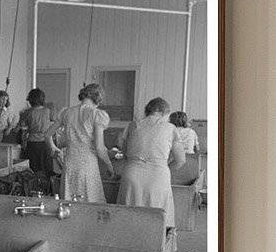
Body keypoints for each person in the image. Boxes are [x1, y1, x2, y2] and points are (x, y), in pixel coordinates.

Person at [118, 97, 187, 229]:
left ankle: (128, 245)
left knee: (129, 214)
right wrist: (163, 168)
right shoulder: (170, 128)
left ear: (147, 111)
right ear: (164, 112)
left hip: (132, 173)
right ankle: (156, 246)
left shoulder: (132, 125)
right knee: (157, 216)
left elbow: (124, 151)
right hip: (158, 176)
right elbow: (180, 160)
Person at [47, 83, 114, 202]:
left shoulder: (67, 112)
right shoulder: (96, 114)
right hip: (88, 165)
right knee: (90, 202)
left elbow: (47, 134)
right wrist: (109, 165)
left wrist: (53, 147)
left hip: (70, 164)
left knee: (69, 202)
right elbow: (99, 148)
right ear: (98, 98)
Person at [18, 87, 54, 174]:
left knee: (33, 169)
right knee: (46, 169)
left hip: (32, 143)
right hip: (46, 143)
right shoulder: (48, 111)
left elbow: (21, 127)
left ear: (30, 99)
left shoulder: (27, 112)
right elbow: (52, 124)